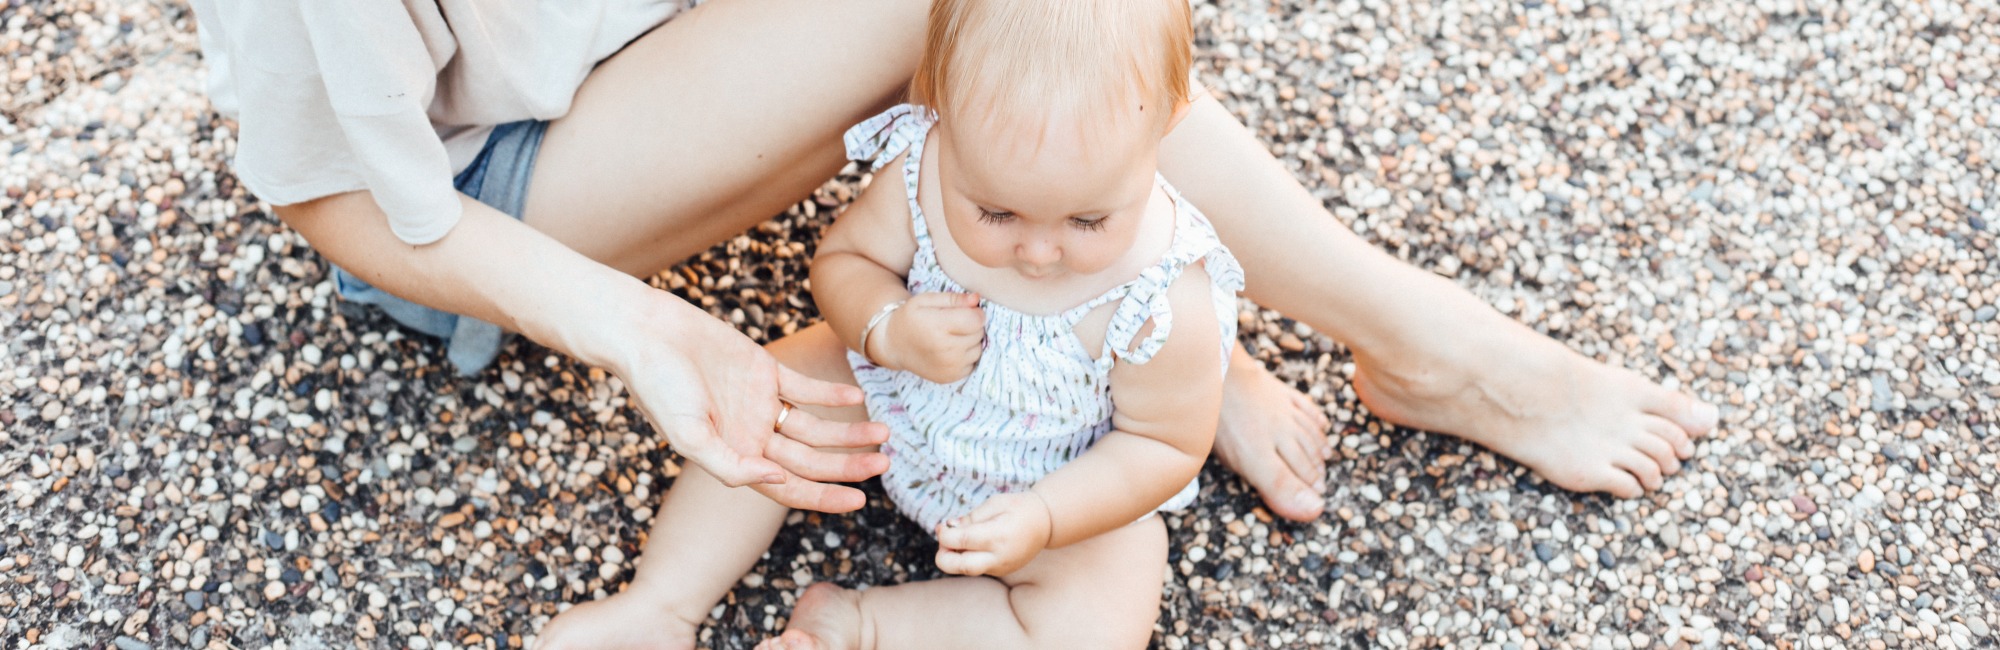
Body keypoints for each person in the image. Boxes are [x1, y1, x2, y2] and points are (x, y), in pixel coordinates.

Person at [191, 0, 1715, 600]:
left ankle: (1159, 301)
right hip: (487, 190)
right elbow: (333, 195)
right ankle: (1409, 336)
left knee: (1045, 27)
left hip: (667, 53)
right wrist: (641, 326)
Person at [539, 2, 1241, 646]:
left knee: (1101, 612)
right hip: (889, 398)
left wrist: (1048, 516)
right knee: (770, 398)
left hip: (1055, 481)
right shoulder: (925, 167)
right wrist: (885, 327)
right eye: (995, 213)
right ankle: (660, 603)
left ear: (1169, 120)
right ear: (940, 106)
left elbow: (1163, 446)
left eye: (1088, 219)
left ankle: (862, 626)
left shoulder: (1162, 302)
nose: (1038, 252)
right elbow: (844, 261)